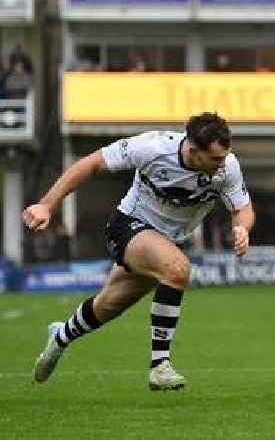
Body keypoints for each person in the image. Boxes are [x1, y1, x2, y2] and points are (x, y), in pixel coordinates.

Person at [24, 112, 254, 390]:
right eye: (215, 159)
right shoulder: (152, 148)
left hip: (167, 242)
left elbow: (242, 209)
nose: (222, 164)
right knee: (177, 269)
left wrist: (242, 228)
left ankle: (59, 337)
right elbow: (91, 164)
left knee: (107, 306)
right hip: (129, 225)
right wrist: (47, 204)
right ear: (193, 150)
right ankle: (160, 365)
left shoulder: (227, 166)